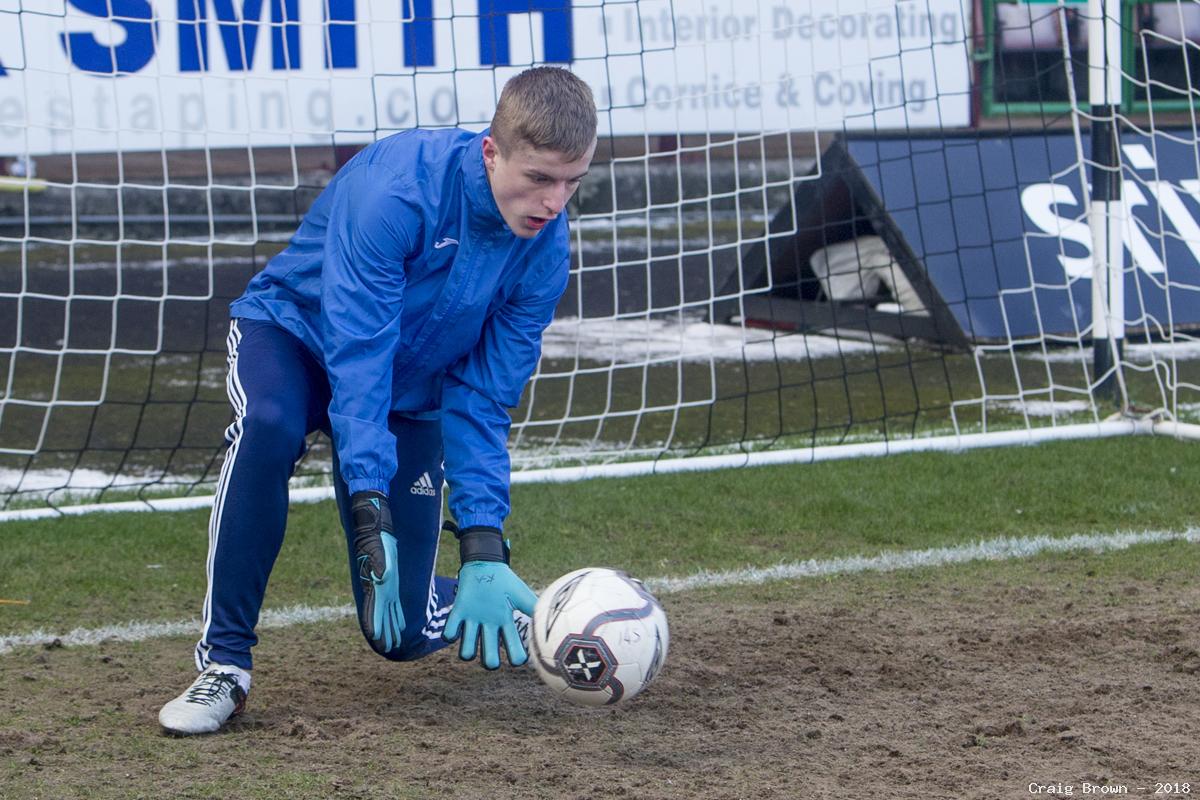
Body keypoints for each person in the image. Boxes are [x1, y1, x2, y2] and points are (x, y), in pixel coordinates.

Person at [158, 66, 598, 735]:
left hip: (410, 392)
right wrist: (371, 507)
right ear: (491, 150)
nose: (553, 201)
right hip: (299, 338)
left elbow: (481, 397)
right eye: (538, 177)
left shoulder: (545, 248)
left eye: (572, 182)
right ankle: (225, 665)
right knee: (267, 426)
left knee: (400, 633)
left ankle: (517, 606)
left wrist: (483, 547)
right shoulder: (396, 192)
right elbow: (359, 359)